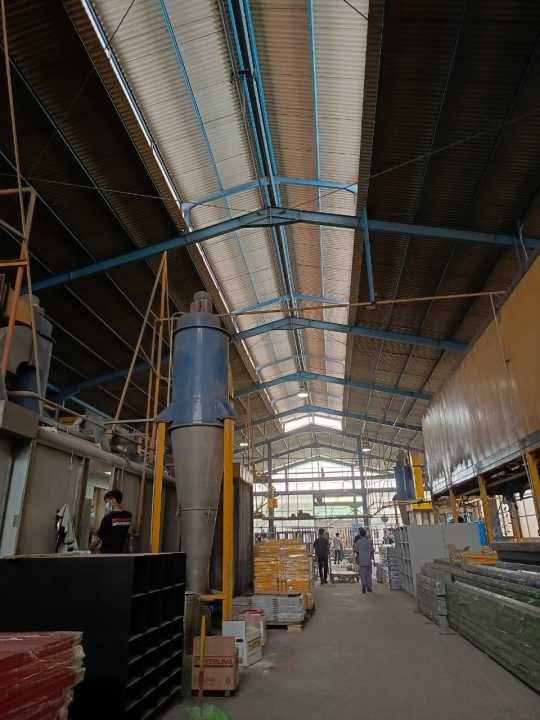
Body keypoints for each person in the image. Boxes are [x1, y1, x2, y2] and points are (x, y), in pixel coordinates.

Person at [90, 489, 132, 553]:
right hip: (120, 554)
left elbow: (98, 539)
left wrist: (88, 551)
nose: (106, 505)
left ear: (113, 500)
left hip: (107, 554)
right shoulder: (128, 516)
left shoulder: (108, 518)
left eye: (107, 502)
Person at [354, 527, 374, 594]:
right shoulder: (369, 541)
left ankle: (363, 585)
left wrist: (357, 559)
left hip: (361, 560)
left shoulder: (358, 542)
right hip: (368, 560)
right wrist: (372, 558)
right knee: (368, 574)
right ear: (365, 534)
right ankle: (369, 587)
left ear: (360, 535)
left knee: (362, 574)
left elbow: (356, 552)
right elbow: (372, 551)